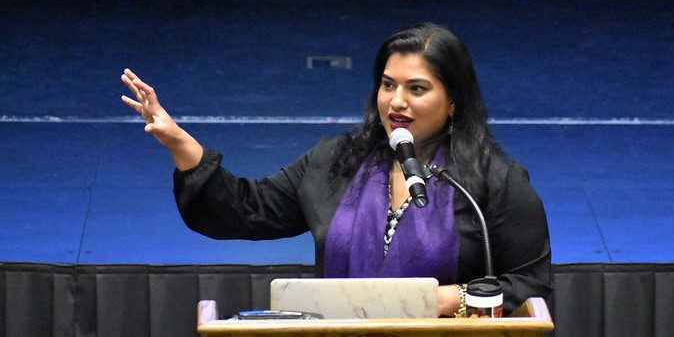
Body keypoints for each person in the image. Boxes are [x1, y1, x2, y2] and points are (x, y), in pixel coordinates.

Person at [119, 23, 552, 317]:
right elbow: (246, 210)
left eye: (416, 88)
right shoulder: (336, 162)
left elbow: (532, 286)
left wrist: (448, 298)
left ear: (454, 100)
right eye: (388, 84)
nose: (396, 101)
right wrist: (182, 145)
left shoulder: (492, 182)